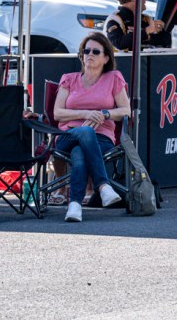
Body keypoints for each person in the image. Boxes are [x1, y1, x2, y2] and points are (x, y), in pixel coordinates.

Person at [53, 31, 129, 222]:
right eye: (86, 51)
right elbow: (57, 113)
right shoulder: (69, 79)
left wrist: (105, 114)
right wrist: (86, 114)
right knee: (86, 131)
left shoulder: (113, 78)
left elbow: (126, 110)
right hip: (68, 135)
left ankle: (75, 205)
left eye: (96, 51)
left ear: (106, 58)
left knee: (79, 153)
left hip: (101, 137)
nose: (90, 55)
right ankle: (103, 186)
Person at [106, 0, 170, 51]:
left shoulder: (146, 19)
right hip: (124, 59)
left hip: (148, 58)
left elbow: (167, 40)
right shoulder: (115, 19)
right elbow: (119, 43)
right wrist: (146, 31)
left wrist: (147, 35)